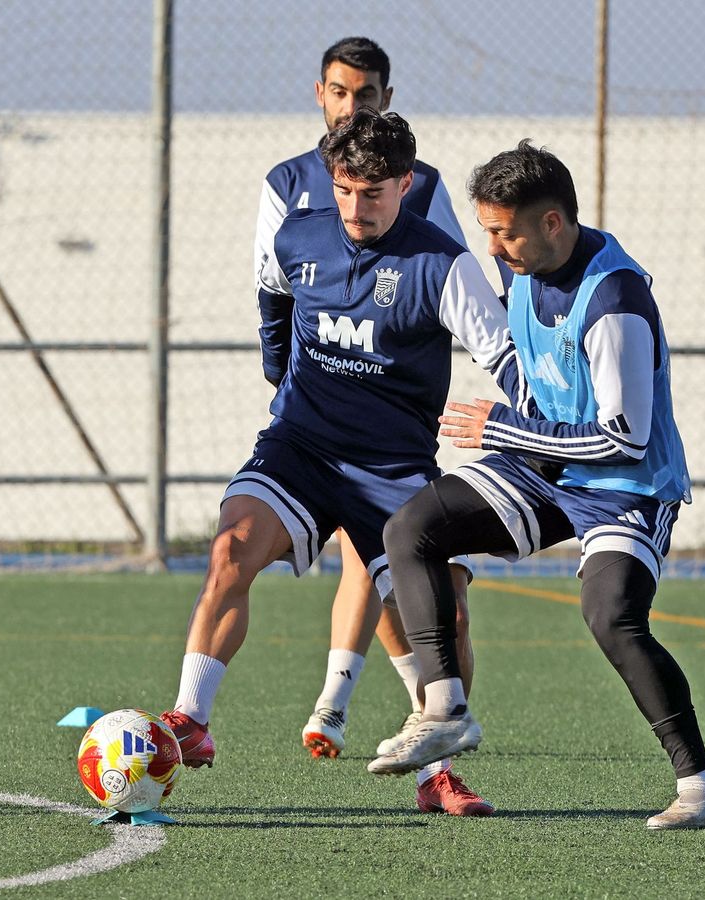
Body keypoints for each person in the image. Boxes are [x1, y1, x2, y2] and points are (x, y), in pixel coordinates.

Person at [367, 141, 705, 830]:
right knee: (410, 529)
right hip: (546, 467)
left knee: (612, 617)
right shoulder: (522, 268)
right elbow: (532, 364)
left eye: (505, 232)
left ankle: (702, 790)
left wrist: (503, 427)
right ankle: (443, 709)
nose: (495, 248)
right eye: (488, 232)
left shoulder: (615, 298)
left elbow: (622, 436)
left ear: (553, 225)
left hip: (625, 483)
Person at [163, 109, 517, 817]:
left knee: (440, 616)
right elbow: (273, 293)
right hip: (301, 447)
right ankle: (190, 720)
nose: (357, 207)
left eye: (375, 193)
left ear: (406, 183)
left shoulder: (442, 266)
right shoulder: (298, 236)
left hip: (392, 467)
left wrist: (535, 430)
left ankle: (438, 772)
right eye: (346, 189)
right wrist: (276, 367)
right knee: (231, 547)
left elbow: (509, 362)